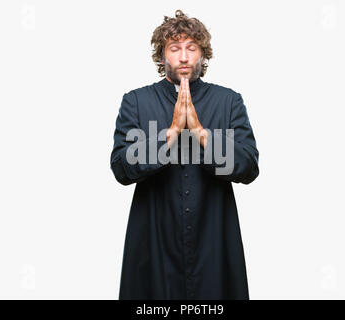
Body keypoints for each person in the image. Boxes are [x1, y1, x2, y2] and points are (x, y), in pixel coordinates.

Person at [110, 9, 259, 300]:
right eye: (175, 48)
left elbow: (248, 165)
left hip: (213, 241)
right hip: (153, 243)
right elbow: (121, 166)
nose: (183, 57)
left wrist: (201, 132)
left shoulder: (228, 101)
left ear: (203, 55)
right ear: (162, 55)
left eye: (192, 48)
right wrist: (172, 132)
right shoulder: (136, 102)